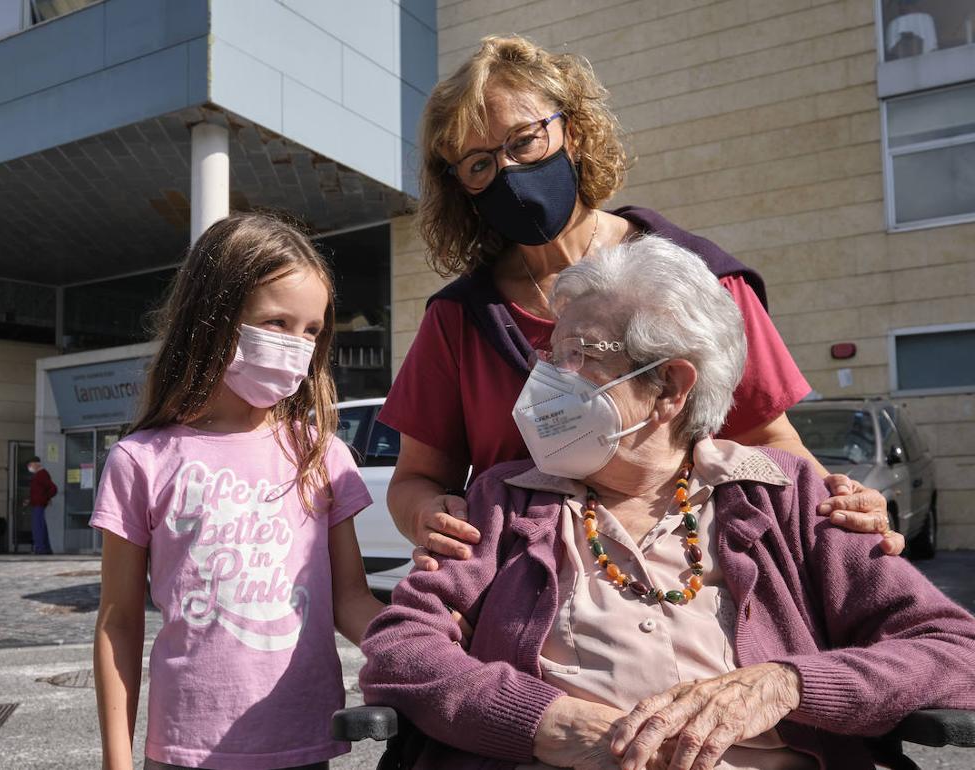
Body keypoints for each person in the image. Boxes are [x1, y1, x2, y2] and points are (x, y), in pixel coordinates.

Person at [359, 237, 975, 770]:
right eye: (552, 355)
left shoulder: (788, 497)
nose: (547, 379)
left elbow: (951, 650)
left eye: (580, 355)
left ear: (670, 387)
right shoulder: (504, 500)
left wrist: (787, 684)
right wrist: (544, 722)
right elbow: (401, 649)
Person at [379, 35, 902, 572]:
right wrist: (427, 512)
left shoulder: (702, 279)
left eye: (525, 141)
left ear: (572, 134)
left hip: (704, 587)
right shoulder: (459, 320)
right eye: (478, 164)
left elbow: (767, 438)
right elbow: (416, 479)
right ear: (460, 187)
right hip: (525, 603)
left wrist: (845, 506)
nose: (508, 170)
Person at [91, 213, 381, 770]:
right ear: (214, 317)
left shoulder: (323, 455)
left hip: (304, 744)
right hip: (184, 751)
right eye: (276, 323)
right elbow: (118, 621)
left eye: (312, 329)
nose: (297, 345)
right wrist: (116, 761)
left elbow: (350, 599)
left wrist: (431, 654)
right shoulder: (142, 460)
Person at [27, 456, 58, 555]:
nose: (29, 467)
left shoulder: (41, 474)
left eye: (30, 464)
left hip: (39, 504)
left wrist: (46, 498)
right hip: (37, 503)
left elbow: (52, 488)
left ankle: (40, 548)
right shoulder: (39, 475)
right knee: (41, 527)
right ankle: (45, 548)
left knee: (38, 527)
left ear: (36, 464)